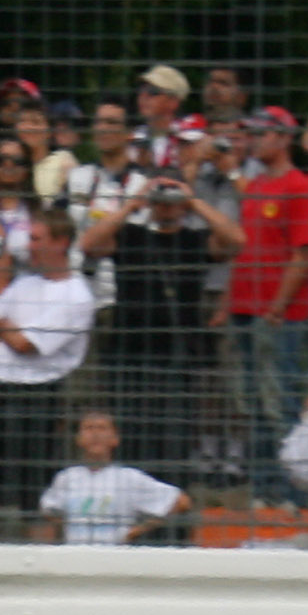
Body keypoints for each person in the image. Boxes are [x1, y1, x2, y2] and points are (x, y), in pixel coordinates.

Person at [79, 166, 235, 484]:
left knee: (175, 443)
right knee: (133, 440)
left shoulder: (195, 240)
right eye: (160, 196)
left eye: (172, 196)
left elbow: (236, 241)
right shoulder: (130, 236)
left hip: (179, 359)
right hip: (130, 357)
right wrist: (131, 205)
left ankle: (171, 519)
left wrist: (194, 201)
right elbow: (89, 244)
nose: (166, 203)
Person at [0, 210, 92, 521]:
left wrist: (0, 326)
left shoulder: (77, 297)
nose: (29, 247)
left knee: (33, 494)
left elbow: (26, 346)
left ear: (60, 242)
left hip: (35, 396)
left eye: (36, 239)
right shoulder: (25, 284)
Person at [226, 108, 308, 507]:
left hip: (278, 314)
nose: (255, 140)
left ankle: (290, 492)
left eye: (263, 133)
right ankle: (263, 488)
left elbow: (304, 253)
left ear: (284, 138)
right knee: (251, 402)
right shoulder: (256, 186)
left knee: (280, 401)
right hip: (246, 307)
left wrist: (278, 305)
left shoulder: (299, 186)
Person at [33, 407, 183, 545]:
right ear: (78, 438)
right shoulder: (66, 477)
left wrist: (131, 533)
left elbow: (181, 501)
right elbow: (48, 509)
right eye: (89, 428)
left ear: (115, 439)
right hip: (75, 558)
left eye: (102, 428)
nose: (95, 434)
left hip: (114, 560)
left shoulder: (129, 478)